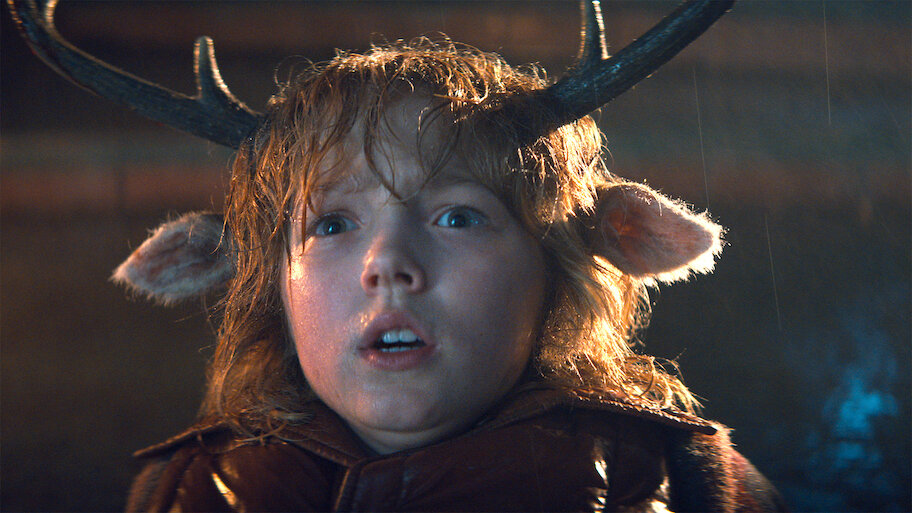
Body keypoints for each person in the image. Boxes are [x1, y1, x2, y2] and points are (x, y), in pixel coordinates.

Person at [10, 0, 786, 510]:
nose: (387, 263)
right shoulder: (177, 493)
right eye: (331, 226)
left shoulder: (695, 485)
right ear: (269, 278)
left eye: (457, 215)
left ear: (564, 258)